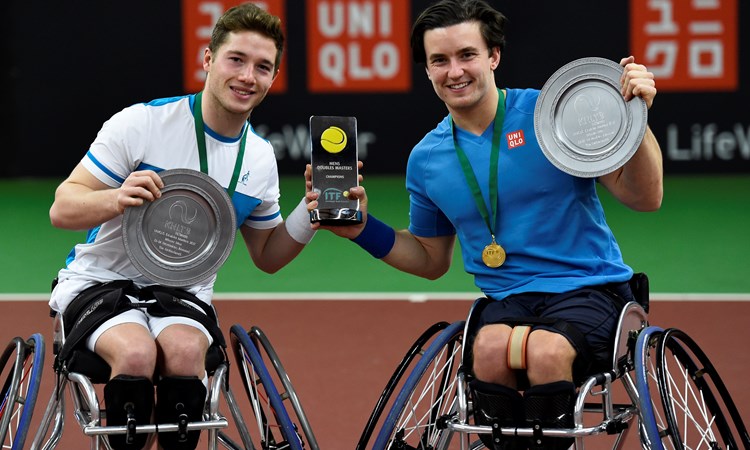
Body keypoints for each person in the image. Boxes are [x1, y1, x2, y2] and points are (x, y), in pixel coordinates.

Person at [306, 0, 662, 449]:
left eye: (467, 55)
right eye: (440, 60)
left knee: (547, 350)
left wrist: (637, 118)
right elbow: (431, 258)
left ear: (493, 56)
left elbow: (645, 198)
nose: (454, 71)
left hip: (588, 290)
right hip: (507, 300)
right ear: (428, 71)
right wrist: (361, 228)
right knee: (490, 350)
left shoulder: (550, 114)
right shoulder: (427, 159)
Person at [48, 4, 315, 450]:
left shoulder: (259, 157)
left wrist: (312, 214)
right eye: (236, 59)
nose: (248, 76)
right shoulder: (143, 123)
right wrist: (114, 198)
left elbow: (268, 256)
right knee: (135, 352)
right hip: (101, 283)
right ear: (208, 59)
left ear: (273, 78)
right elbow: (63, 207)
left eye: (262, 67)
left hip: (182, 295)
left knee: (187, 353)